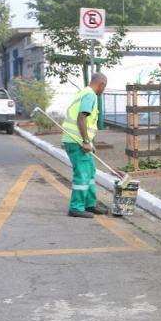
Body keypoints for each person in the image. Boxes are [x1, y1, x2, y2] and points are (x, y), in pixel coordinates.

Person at [61, 73, 108, 219]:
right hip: (77, 142)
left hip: (77, 140)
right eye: (104, 87)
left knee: (90, 171)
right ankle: (76, 207)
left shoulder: (84, 93)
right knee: (82, 174)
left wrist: (90, 142)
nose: (103, 90)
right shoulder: (90, 95)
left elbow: (86, 122)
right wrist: (86, 141)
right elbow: (81, 117)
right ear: (101, 84)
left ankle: (90, 204)